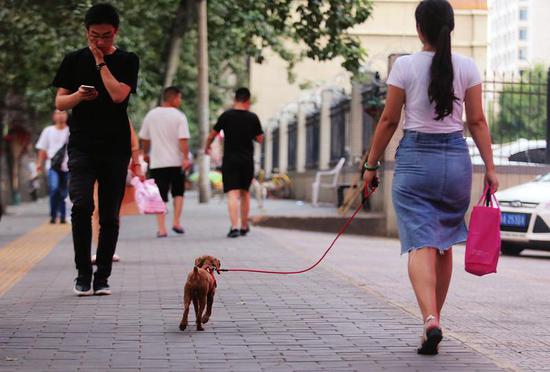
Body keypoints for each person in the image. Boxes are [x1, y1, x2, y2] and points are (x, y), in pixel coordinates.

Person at [363, 0, 499, 355]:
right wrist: (491, 168)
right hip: (456, 161)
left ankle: (429, 320)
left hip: (415, 163)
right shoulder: (467, 66)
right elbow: (478, 121)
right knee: (443, 240)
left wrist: (371, 166)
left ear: (420, 28)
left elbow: (389, 120)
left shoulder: (405, 66)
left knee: (419, 240)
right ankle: (435, 319)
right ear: (449, 28)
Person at [53, 3, 139, 296]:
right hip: (82, 147)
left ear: (115, 32)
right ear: (86, 32)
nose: (99, 41)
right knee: (81, 207)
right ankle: (82, 273)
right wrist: (77, 95)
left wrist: (101, 62)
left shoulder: (128, 60)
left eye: (105, 35)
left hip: (115, 148)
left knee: (110, 216)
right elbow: (60, 103)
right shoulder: (72, 60)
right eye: (94, 36)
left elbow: (117, 96)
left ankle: (102, 276)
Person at [205, 87, 264, 238]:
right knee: (245, 193)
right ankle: (245, 226)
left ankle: (234, 227)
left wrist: (207, 147)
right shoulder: (253, 117)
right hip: (246, 160)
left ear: (235, 100)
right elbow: (260, 139)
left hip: (230, 160)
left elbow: (212, 134)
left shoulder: (226, 116)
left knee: (232, 193)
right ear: (248, 101)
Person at [139, 87, 191, 237]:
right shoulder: (179, 116)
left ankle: (162, 229)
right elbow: (183, 140)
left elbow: (145, 139)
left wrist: (146, 153)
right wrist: (186, 157)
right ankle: (176, 222)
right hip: (176, 162)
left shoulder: (151, 115)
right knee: (178, 192)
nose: (180, 101)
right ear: (173, 98)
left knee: (160, 196)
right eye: (179, 98)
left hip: (157, 162)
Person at [35, 109, 70, 224]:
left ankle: (63, 216)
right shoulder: (48, 131)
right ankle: (54, 215)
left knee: (64, 192)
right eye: (58, 113)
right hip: (52, 166)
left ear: (67, 116)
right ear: (53, 116)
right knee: (54, 189)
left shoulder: (70, 131)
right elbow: (42, 149)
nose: (60, 116)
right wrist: (39, 164)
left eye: (63, 113)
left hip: (67, 166)